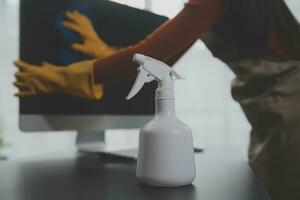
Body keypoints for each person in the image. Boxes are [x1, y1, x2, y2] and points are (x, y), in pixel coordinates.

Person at [14, 0, 299, 199]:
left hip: (289, 106)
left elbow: (148, 54)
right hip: (272, 107)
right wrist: (98, 49)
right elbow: (157, 61)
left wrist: (69, 77)